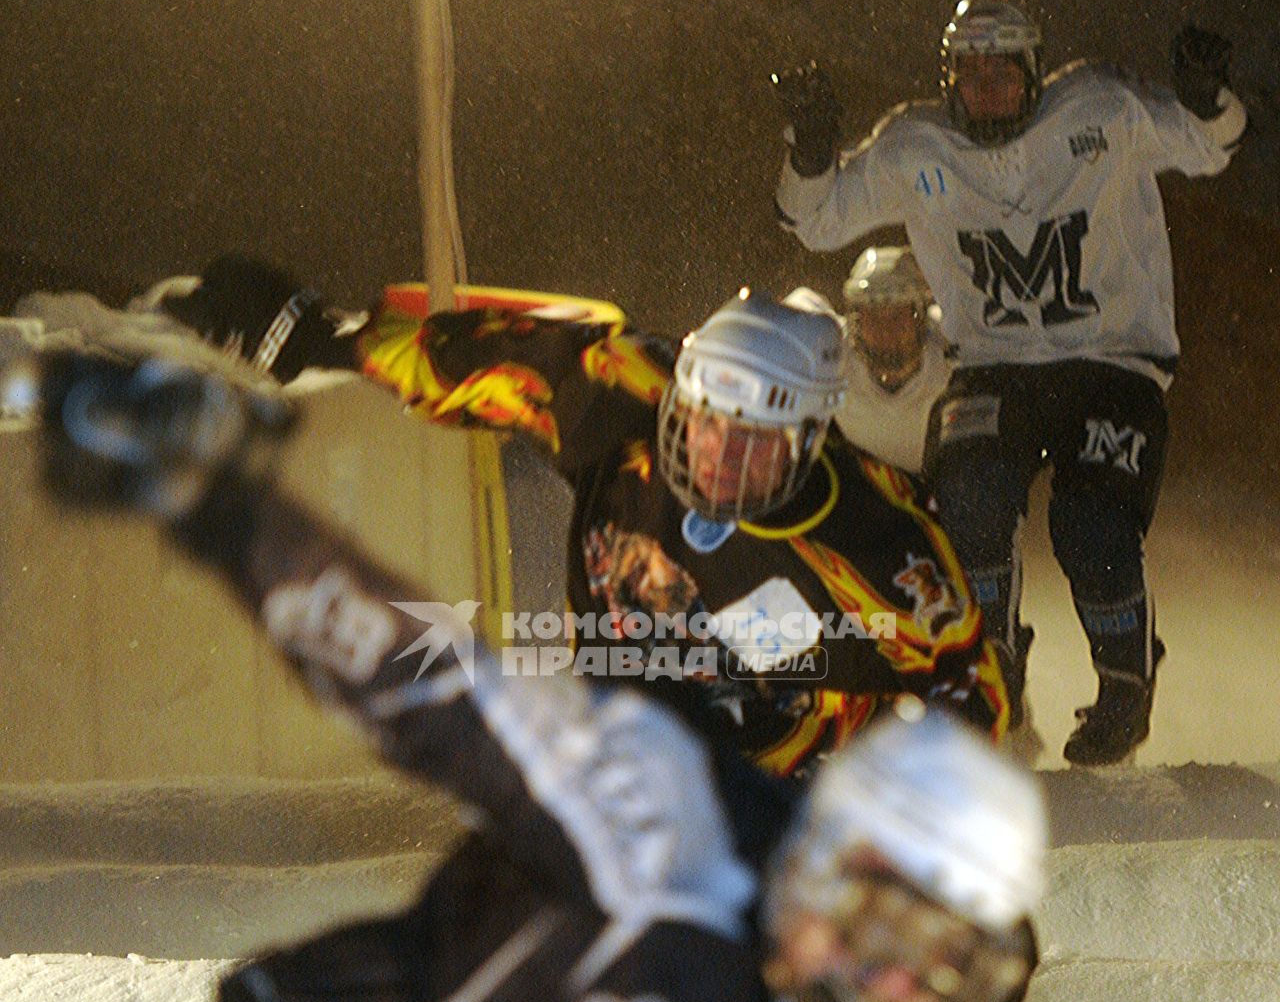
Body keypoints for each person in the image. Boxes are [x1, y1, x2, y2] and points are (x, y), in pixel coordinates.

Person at [4, 344, 1047, 1002]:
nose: (885, 998)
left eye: (938, 986)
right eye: (880, 932)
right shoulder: (663, 809)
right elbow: (421, 686)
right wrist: (221, 504)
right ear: (817, 863)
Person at [154, 257, 1009, 776]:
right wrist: (317, 338)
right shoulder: (620, 386)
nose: (717, 463)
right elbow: (471, 361)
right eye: (706, 429)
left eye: (753, 449)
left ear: (812, 437)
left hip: (792, 747)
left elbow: (970, 684)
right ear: (679, 397)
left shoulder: (874, 538)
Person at [773, 3, 1248, 763]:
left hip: (1113, 361)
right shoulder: (914, 144)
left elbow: (1210, 145)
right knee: (965, 503)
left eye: (1002, 69)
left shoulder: (1098, 108)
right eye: (970, 70)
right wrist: (812, 152)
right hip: (994, 363)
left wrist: (1205, 97)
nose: (986, 85)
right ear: (947, 79)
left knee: (1092, 525)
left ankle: (1125, 681)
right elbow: (816, 220)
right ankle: (990, 675)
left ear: (1033, 72)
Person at [826, 246, 951, 476]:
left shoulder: (952, 352)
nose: (885, 331)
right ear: (856, 322)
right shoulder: (831, 356)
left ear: (920, 318)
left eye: (897, 316)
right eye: (872, 316)